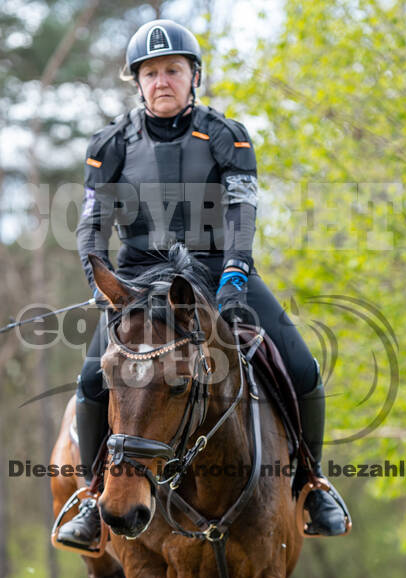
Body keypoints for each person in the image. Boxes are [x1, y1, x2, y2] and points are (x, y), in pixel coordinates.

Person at [57, 19, 347, 547]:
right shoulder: (110, 143)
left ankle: (312, 483)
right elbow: (92, 224)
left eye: (173, 70)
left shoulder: (226, 135)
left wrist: (235, 273)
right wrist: (98, 277)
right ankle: (90, 496)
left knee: (303, 368)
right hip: (141, 279)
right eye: (151, 73)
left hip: (219, 272)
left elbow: (240, 213)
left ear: (194, 76)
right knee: (91, 381)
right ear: (137, 82)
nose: (162, 80)